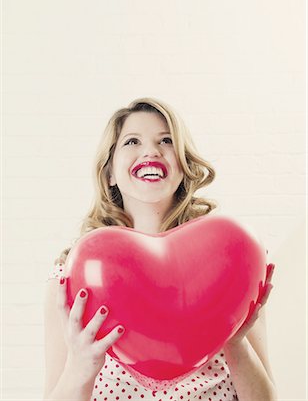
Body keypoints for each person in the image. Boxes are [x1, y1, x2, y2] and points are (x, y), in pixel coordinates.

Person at [43, 97, 277, 401]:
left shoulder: (232, 261)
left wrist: (236, 343)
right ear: (110, 172)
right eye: (132, 142)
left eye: (166, 140)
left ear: (183, 166)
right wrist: (80, 366)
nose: (151, 151)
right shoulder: (71, 278)